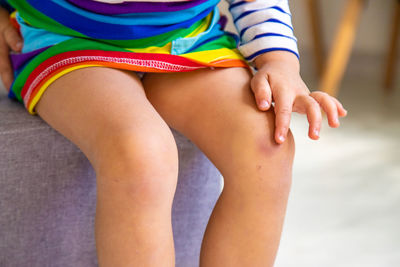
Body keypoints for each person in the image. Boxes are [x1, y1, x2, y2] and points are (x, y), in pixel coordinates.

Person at [0, 0, 347, 266]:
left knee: (267, 147)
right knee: (141, 153)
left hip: (189, 36)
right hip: (65, 37)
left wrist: (279, 62)